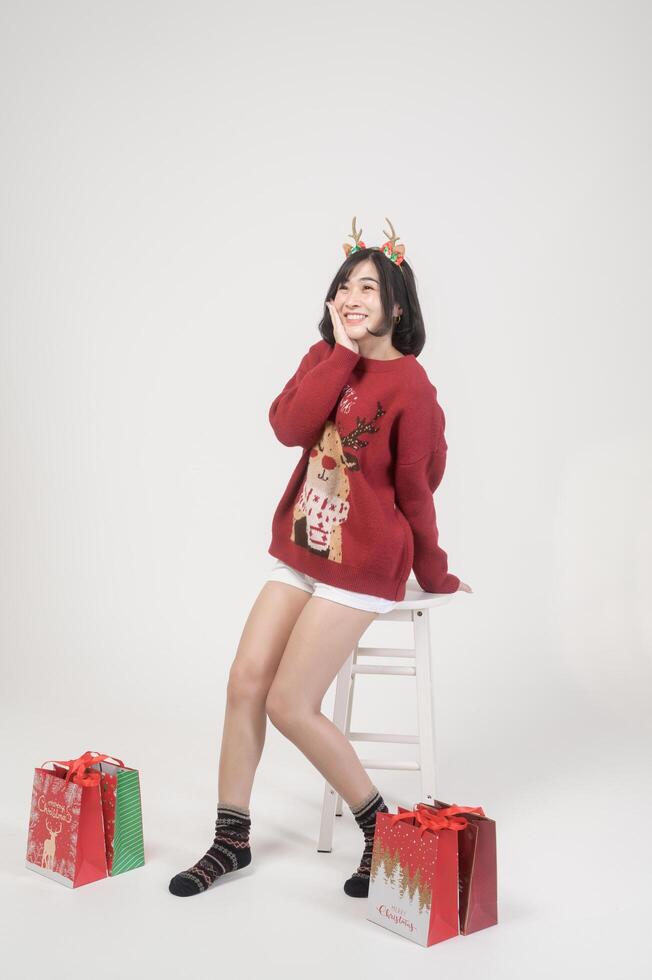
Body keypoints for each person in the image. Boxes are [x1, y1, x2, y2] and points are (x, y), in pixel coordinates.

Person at [169, 217, 472, 899]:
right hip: (305, 549)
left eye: (367, 286)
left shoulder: (413, 389)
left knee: (288, 702)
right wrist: (338, 353)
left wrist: (435, 573)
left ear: (397, 303)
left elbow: (419, 493)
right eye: (343, 286)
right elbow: (288, 428)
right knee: (244, 680)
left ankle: (380, 825)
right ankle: (231, 838)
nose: (352, 296)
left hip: (366, 564)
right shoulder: (324, 359)